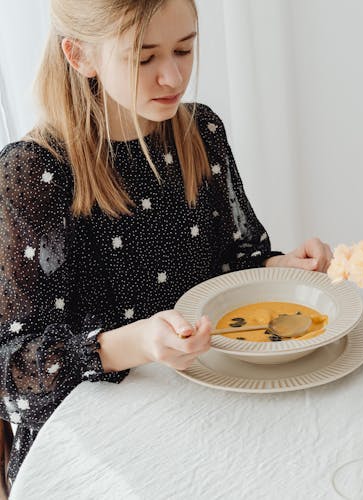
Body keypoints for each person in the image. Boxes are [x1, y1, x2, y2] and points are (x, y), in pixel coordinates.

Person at [0, 0, 333, 482]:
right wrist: (130, 345)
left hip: (211, 404)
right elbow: (12, 369)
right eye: (144, 58)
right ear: (80, 56)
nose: (173, 78)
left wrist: (278, 266)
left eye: (185, 49)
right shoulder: (34, 173)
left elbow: (232, 261)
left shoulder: (202, 132)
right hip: (93, 446)